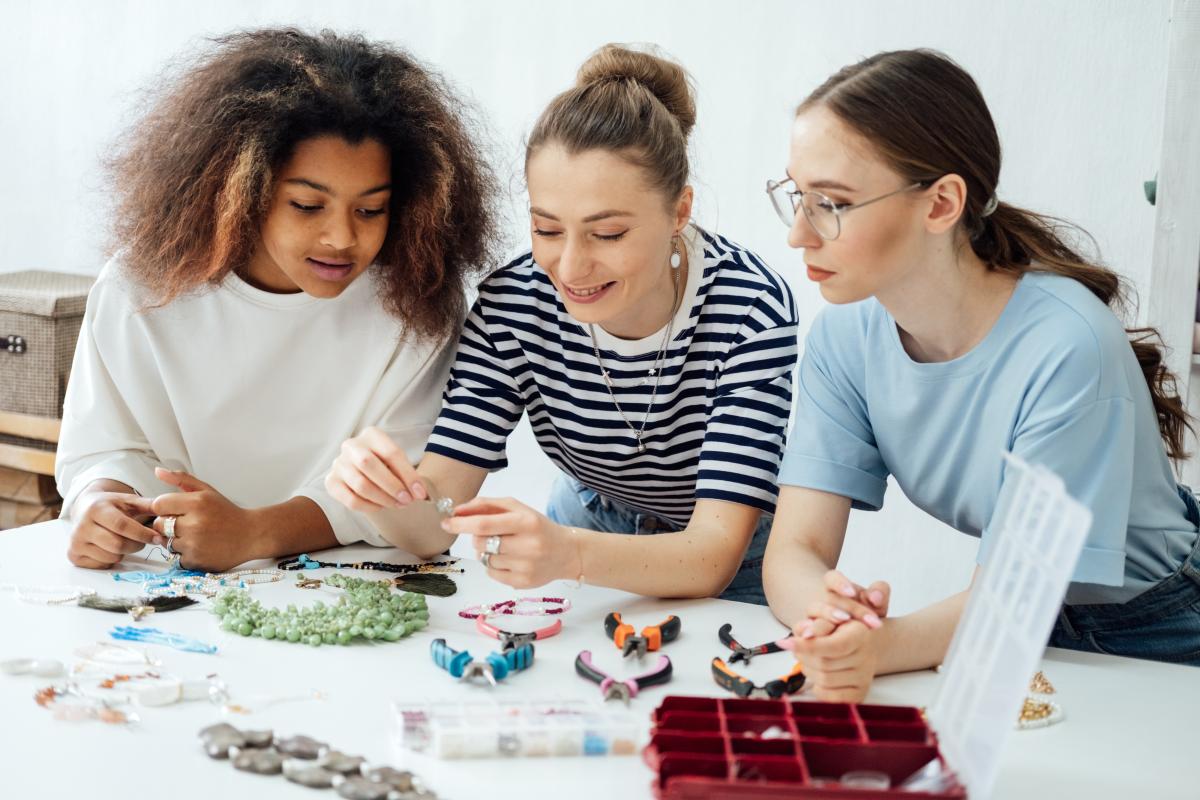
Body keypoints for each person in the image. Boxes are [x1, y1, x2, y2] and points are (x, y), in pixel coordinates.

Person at [763, 49, 1200, 700]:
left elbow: (1015, 597)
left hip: (1158, 628)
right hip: (1013, 619)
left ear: (941, 204)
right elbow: (793, 551)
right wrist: (826, 616)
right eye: (799, 196)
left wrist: (880, 647)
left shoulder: (1067, 345)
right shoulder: (842, 341)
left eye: (832, 203)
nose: (799, 233)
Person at [327, 44, 798, 604]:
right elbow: (435, 523)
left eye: (608, 234)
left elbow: (711, 557)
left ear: (679, 211)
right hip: (585, 528)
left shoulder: (748, 308)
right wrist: (384, 495)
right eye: (548, 230)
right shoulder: (513, 307)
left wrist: (569, 554)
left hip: (733, 562)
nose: (570, 268)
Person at [58, 28, 498, 572]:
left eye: (370, 210)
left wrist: (254, 533)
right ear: (239, 190)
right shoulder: (142, 286)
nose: (341, 237)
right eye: (308, 205)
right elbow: (105, 443)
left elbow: (405, 490)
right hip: (168, 575)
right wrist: (96, 506)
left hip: (349, 578)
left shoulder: (414, 301)